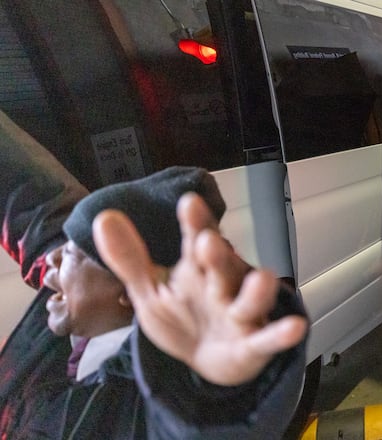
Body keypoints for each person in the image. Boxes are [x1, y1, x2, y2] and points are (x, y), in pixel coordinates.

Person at [0, 109, 308, 439]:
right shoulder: (78, 313)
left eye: (69, 255)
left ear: (126, 292)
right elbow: (32, 199)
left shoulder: (138, 407)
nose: (47, 273)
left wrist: (219, 390)